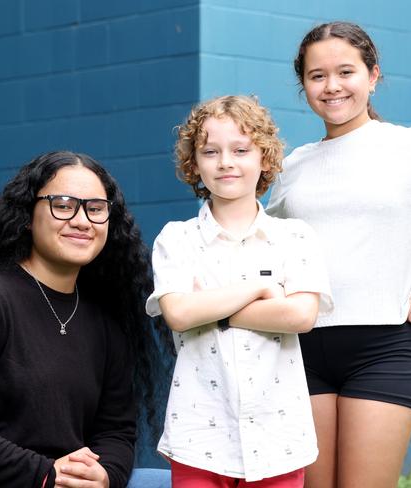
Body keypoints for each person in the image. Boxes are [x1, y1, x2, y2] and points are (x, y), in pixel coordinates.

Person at [266, 21, 411, 488]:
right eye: (316, 75)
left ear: (373, 75)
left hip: (381, 349)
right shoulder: (292, 166)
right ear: (303, 85)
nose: (332, 86)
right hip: (298, 348)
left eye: (345, 71)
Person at [0, 151, 172, 488]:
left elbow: (116, 430)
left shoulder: (105, 320)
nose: (81, 221)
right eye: (63, 205)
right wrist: (43, 474)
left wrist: (103, 475)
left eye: (95, 208)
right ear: (28, 215)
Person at [146, 95, 334, 487]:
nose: (225, 162)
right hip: (200, 434)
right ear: (194, 164)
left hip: (278, 436)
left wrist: (213, 306)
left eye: (240, 150)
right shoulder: (176, 239)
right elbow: (178, 314)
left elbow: (300, 316)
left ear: (264, 158)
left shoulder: (295, 237)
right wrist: (261, 287)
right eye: (210, 151)